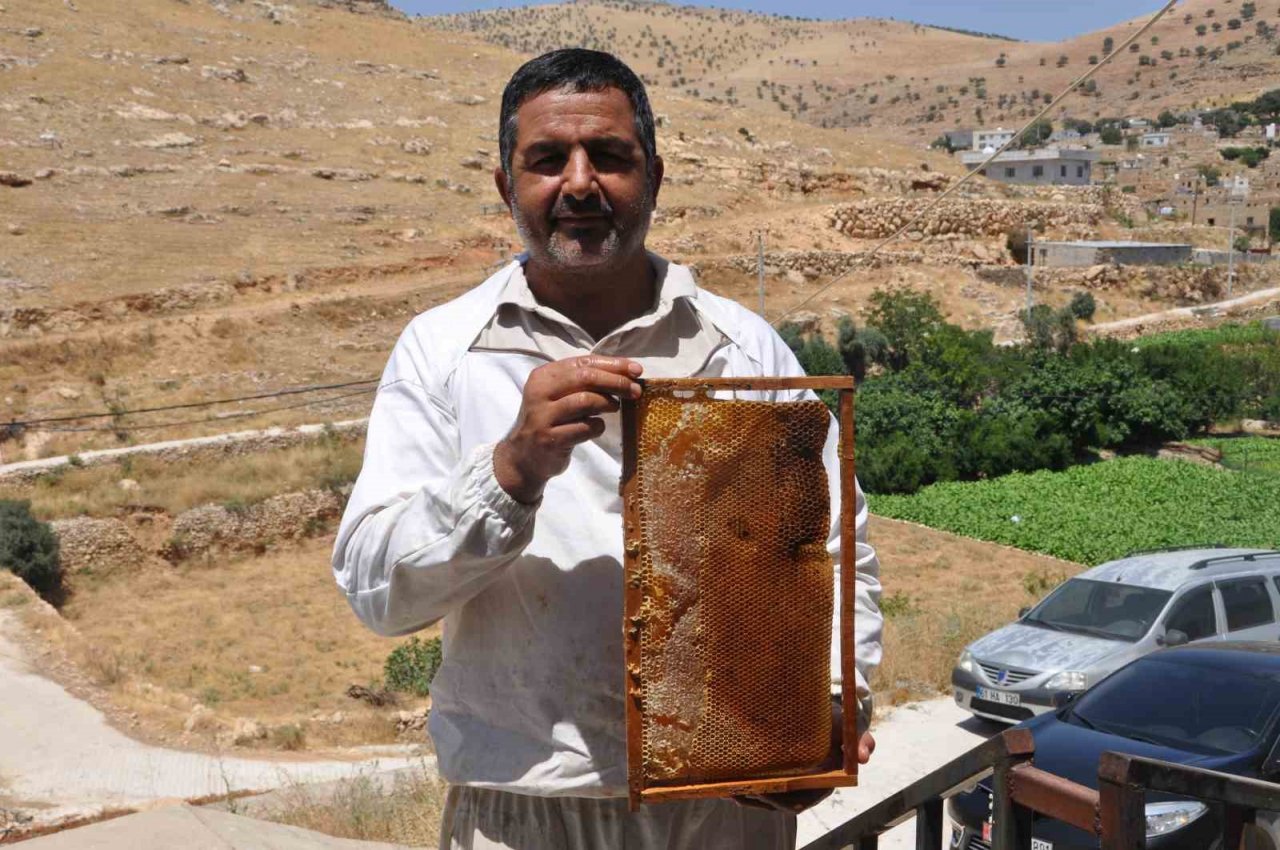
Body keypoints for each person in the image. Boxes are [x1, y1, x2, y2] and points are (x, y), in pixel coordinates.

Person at [332, 48, 883, 850]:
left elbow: (831, 545)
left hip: (723, 807)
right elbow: (377, 592)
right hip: (523, 814)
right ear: (506, 186)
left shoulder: (743, 347)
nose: (581, 184)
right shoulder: (442, 350)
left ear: (654, 177)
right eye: (548, 159)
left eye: (610, 157)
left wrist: (827, 706)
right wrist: (509, 471)